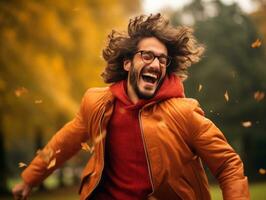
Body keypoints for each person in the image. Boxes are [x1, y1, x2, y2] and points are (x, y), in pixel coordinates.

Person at [12, 13, 250, 200]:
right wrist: (29, 179)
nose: (156, 64)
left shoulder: (184, 113)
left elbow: (228, 165)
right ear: (127, 63)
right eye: (147, 56)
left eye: (162, 60)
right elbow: (62, 144)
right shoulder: (96, 103)